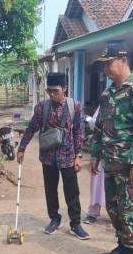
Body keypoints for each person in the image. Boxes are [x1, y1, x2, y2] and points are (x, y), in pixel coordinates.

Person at [91, 43, 133, 254]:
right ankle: (122, 245)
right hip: (110, 161)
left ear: (123, 59)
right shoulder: (107, 93)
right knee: (114, 207)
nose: (106, 70)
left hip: (129, 163)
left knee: (131, 207)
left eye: (109, 64)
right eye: (104, 65)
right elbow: (100, 126)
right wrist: (95, 156)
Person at [16, 72, 89, 240]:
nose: (52, 94)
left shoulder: (74, 106)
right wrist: (22, 148)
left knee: (72, 191)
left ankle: (75, 224)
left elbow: (79, 131)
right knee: (50, 190)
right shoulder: (42, 107)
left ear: (64, 88)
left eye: (55, 91)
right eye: (49, 91)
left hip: (68, 156)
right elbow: (31, 127)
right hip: (48, 157)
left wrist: (78, 156)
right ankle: (54, 218)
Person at [83, 106, 106, 224]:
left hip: (121, 154)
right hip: (102, 151)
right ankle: (93, 212)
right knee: (97, 182)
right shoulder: (106, 100)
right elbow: (95, 125)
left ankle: (119, 216)